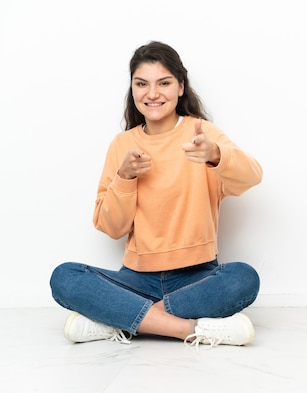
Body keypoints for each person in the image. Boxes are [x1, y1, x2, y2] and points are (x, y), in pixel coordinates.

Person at [49, 41, 263, 348]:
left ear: (180, 87)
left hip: (197, 276)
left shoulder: (202, 134)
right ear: (132, 89)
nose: (152, 94)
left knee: (243, 278)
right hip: (136, 279)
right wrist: (124, 178)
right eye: (142, 84)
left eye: (163, 83)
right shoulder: (122, 145)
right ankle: (186, 329)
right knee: (64, 277)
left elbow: (252, 177)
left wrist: (215, 154)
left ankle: (117, 320)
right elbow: (111, 227)